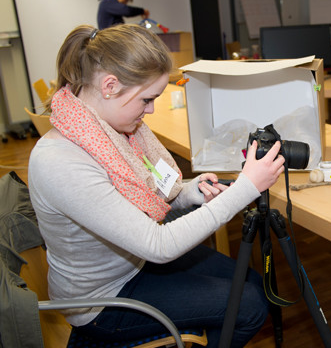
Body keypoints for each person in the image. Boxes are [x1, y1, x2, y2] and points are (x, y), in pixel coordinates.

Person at [28, 23, 285, 347]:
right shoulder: (62, 162)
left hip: (130, 264)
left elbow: (130, 203)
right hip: (103, 302)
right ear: (109, 85)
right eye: (146, 99)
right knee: (248, 306)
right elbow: (158, 245)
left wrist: (185, 194)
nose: (149, 111)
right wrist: (245, 188)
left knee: (251, 284)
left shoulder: (102, 133)